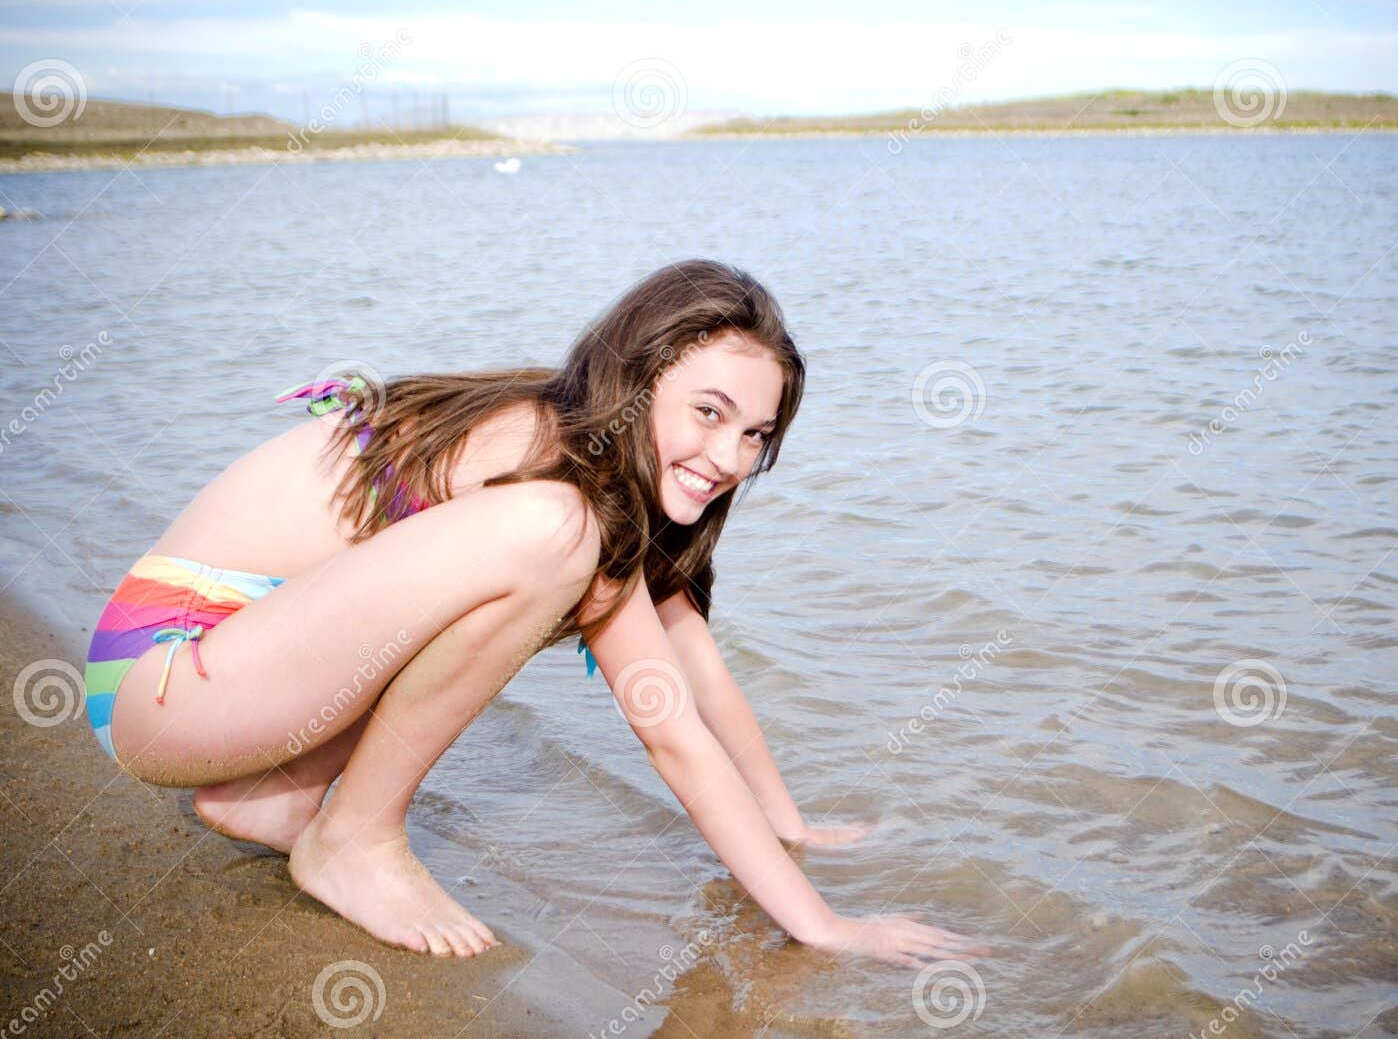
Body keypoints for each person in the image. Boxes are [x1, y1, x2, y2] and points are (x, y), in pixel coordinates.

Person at [83, 259, 982, 968]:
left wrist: (791, 825)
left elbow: (691, 672)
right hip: (162, 678)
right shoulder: (547, 463)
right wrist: (824, 928)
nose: (729, 457)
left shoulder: (599, 467)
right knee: (553, 531)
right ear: (641, 378)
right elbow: (671, 734)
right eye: (709, 412)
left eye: (755, 434)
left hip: (206, 683)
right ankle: (351, 840)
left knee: (557, 540)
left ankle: (274, 799)